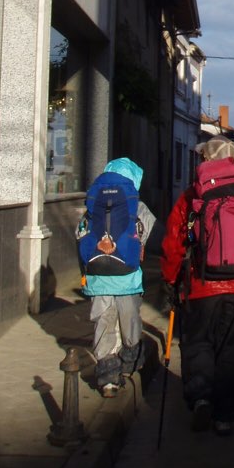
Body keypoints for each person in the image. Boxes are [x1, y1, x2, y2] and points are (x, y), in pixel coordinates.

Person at [160, 137, 234, 436]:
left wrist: (170, 280)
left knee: (198, 345)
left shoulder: (192, 197)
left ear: (204, 161)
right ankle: (225, 415)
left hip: (199, 287)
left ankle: (201, 399)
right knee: (232, 350)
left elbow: (174, 242)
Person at [77, 157, 160, 397]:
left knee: (104, 323)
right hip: (128, 278)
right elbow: (154, 236)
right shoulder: (137, 206)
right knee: (130, 323)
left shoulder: (93, 203)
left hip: (98, 278)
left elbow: (80, 234)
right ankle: (128, 366)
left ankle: (107, 380)